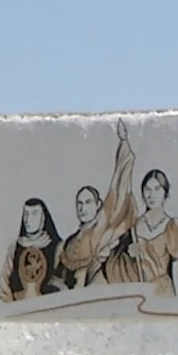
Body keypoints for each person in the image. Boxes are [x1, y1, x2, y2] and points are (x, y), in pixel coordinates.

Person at [56, 120, 141, 289]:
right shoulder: (69, 243)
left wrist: (123, 143)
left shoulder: (104, 230)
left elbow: (119, 188)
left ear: (98, 205)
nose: (83, 208)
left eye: (88, 202)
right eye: (79, 203)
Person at [102, 168, 178, 297]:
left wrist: (177, 302)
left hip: (164, 293)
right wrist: (128, 255)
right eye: (147, 189)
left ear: (165, 193)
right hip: (139, 293)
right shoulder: (133, 226)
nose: (152, 195)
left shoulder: (173, 226)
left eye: (157, 189)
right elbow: (114, 260)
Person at [0, 198, 63, 302]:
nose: (28, 220)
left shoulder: (58, 247)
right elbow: (3, 283)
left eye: (34, 214)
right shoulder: (14, 248)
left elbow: (62, 281)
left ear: (43, 218)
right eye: (26, 214)